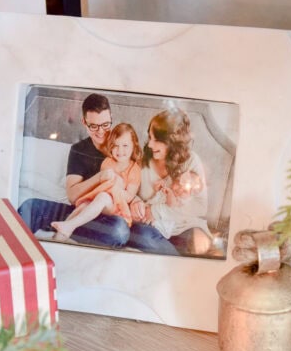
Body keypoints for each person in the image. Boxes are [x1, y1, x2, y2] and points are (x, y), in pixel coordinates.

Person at [17, 93, 130, 247]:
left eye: (105, 124)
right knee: (29, 207)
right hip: (80, 209)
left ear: (111, 117)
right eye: (93, 126)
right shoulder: (79, 150)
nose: (101, 131)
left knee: (119, 231)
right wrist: (100, 177)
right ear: (84, 122)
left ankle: (66, 228)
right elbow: (72, 195)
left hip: (109, 216)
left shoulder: (123, 145)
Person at [128, 108, 212, 256]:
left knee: (198, 242)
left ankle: (168, 253)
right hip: (152, 226)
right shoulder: (142, 160)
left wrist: (156, 211)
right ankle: (172, 257)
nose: (149, 145)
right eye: (149, 138)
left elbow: (200, 207)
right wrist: (135, 202)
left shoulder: (191, 160)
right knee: (142, 235)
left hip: (182, 224)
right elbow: (129, 190)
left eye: (156, 140)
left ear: (171, 142)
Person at [51, 123, 142, 240]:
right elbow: (102, 184)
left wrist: (117, 186)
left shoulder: (135, 170)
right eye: (116, 145)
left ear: (133, 146)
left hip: (118, 205)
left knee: (103, 197)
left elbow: (129, 196)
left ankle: (70, 226)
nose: (120, 150)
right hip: (99, 198)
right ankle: (62, 233)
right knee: (83, 205)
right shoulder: (108, 162)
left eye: (125, 145)